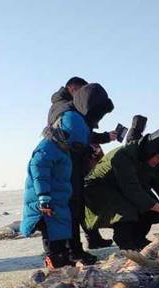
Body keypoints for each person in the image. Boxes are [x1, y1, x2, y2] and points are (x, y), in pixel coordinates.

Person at [84, 129, 159, 250]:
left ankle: (138, 239)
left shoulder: (149, 159)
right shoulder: (123, 156)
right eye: (157, 157)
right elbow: (131, 190)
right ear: (151, 149)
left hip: (119, 189)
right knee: (128, 209)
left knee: (150, 206)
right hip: (97, 191)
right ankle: (126, 242)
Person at [20, 99, 91, 269]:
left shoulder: (61, 148)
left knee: (61, 232)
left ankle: (64, 259)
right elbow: (39, 173)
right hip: (46, 202)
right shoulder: (47, 149)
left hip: (59, 200)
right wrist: (43, 197)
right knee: (51, 234)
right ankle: (54, 261)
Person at [48, 76, 116, 251]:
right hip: (68, 163)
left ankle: (87, 241)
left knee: (78, 202)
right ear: (72, 89)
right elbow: (72, 138)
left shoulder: (74, 110)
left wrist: (98, 141)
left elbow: (82, 135)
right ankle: (72, 249)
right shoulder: (64, 108)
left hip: (76, 160)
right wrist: (98, 141)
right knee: (73, 203)